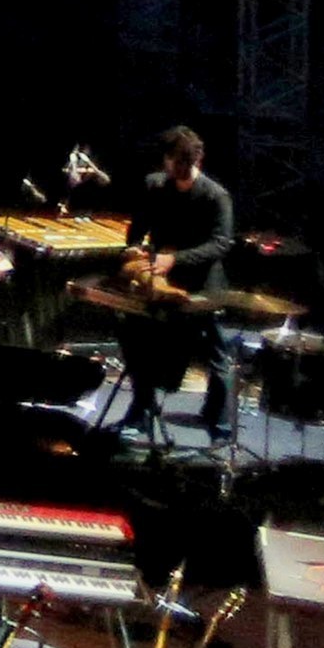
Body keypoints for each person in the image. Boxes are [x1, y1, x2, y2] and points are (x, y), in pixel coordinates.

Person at [123, 126, 240, 431]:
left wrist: (175, 259)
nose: (175, 168)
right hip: (162, 281)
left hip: (203, 282)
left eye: (179, 163)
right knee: (133, 334)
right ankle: (142, 408)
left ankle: (220, 421)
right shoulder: (155, 186)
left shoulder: (216, 196)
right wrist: (134, 249)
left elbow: (220, 244)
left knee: (216, 351)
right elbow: (137, 227)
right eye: (173, 161)